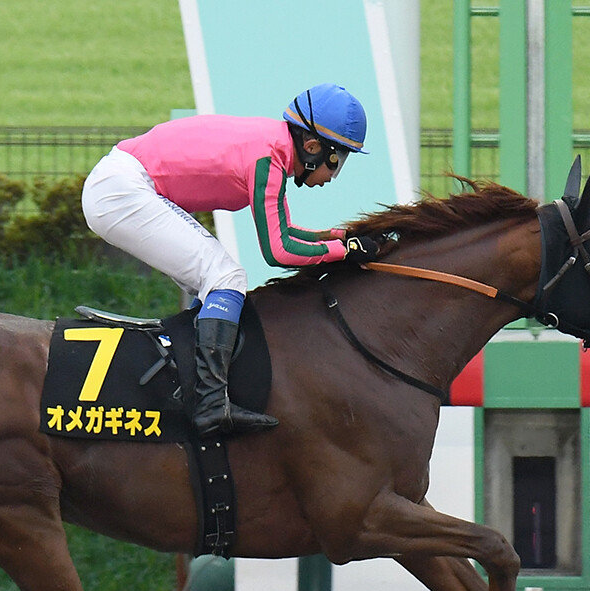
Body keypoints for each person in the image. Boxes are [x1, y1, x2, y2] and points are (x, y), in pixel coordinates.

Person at [81, 83, 378, 436]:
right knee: (226, 277)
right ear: (312, 147)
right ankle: (209, 404)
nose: (333, 175)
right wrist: (345, 252)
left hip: (122, 184)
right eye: (337, 161)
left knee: (214, 282)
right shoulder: (268, 158)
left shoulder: (273, 148)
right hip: (122, 190)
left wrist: (336, 238)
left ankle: (191, 383)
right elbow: (279, 251)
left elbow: (285, 231)